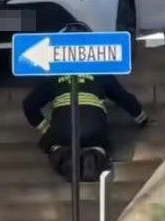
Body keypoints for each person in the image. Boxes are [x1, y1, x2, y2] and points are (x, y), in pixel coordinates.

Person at [22, 23, 149, 182]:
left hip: (62, 129)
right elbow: (124, 98)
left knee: (52, 144)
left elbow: (29, 105)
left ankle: (64, 158)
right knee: (100, 144)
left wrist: (46, 128)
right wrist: (142, 118)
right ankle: (94, 157)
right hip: (94, 125)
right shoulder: (100, 72)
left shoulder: (54, 76)